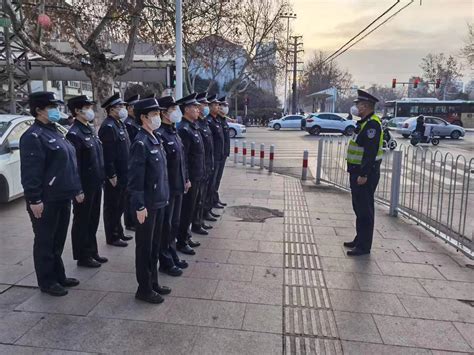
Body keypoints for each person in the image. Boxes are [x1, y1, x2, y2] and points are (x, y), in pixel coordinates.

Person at [20, 91, 82, 296]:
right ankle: (47, 280)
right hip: (46, 199)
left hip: (62, 196)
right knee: (45, 241)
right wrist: (34, 199)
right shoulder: (33, 136)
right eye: (52, 107)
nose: (56, 110)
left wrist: (76, 189)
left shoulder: (54, 131)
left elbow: (68, 164)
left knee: (58, 240)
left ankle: (59, 275)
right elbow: (31, 172)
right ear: (39, 110)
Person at [128, 97, 171, 304]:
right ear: (144, 117)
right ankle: (143, 288)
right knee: (144, 248)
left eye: (158, 113)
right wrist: (139, 205)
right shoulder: (140, 143)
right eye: (154, 114)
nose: (158, 117)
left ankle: (153, 282)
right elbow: (135, 180)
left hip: (159, 201)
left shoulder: (155, 138)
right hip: (147, 205)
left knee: (154, 246)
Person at [66, 95, 108, 268]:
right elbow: (73, 165)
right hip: (84, 185)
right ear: (77, 111)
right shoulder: (74, 134)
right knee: (82, 220)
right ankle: (83, 255)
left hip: (95, 183)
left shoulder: (88, 129)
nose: (90, 111)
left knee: (92, 219)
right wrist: (77, 189)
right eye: (87, 107)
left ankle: (92, 251)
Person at [344, 89, 383, 256]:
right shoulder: (364, 123)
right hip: (357, 172)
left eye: (358, 105)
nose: (356, 107)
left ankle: (364, 246)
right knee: (358, 208)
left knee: (365, 210)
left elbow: (370, 152)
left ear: (366, 106)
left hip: (365, 174)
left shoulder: (372, 124)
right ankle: (359, 239)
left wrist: (364, 174)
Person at [156, 96, 190, 276]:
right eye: (173, 110)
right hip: (167, 189)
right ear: (163, 113)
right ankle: (165, 261)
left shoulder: (173, 131)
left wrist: (186, 179)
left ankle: (172, 254)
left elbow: (182, 160)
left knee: (174, 223)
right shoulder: (160, 134)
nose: (177, 113)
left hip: (178, 186)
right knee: (166, 226)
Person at [98, 93, 132, 247]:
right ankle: (112, 236)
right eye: (120, 106)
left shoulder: (119, 124)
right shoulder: (108, 126)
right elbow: (108, 153)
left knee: (121, 204)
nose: (123, 109)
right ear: (111, 109)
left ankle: (120, 232)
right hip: (115, 174)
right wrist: (111, 173)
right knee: (112, 206)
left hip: (124, 172)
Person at [176, 93, 205, 255]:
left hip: (198, 174)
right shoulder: (183, 129)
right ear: (186, 110)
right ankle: (181, 241)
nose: (198, 109)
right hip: (190, 177)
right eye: (194, 107)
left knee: (191, 209)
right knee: (186, 210)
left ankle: (186, 236)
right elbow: (184, 158)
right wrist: (186, 178)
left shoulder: (193, 126)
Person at [191, 92, 214, 235]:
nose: (204, 108)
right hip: (196, 171)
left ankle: (200, 220)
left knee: (202, 196)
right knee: (195, 201)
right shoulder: (192, 126)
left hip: (205, 166)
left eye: (206, 105)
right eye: (202, 105)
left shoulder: (203, 122)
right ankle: (195, 224)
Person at [123, 94, 141, 232]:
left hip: (133, 161)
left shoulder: (134, 122)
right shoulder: (129, 124)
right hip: (131, 161)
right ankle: (129, 222)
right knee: (129, 196)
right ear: (129, 108)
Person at [206, 94, 224, 223]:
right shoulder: (209, 121)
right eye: (216, 105)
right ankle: (205, 210)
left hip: (219, 156)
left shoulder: (217, 120)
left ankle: (211, 204)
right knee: (209, 185)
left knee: (215, 183)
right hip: (212, 159)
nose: (218, 107)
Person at [212, 96, 230, 209]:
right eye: (221, 105)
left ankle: (215, 199)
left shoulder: (222, 120)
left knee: (217, 180)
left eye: (223, 105)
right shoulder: (215, 120)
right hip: (216, 156)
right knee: (213, 181)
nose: (223, 107)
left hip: (222, 154)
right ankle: (212, 201)